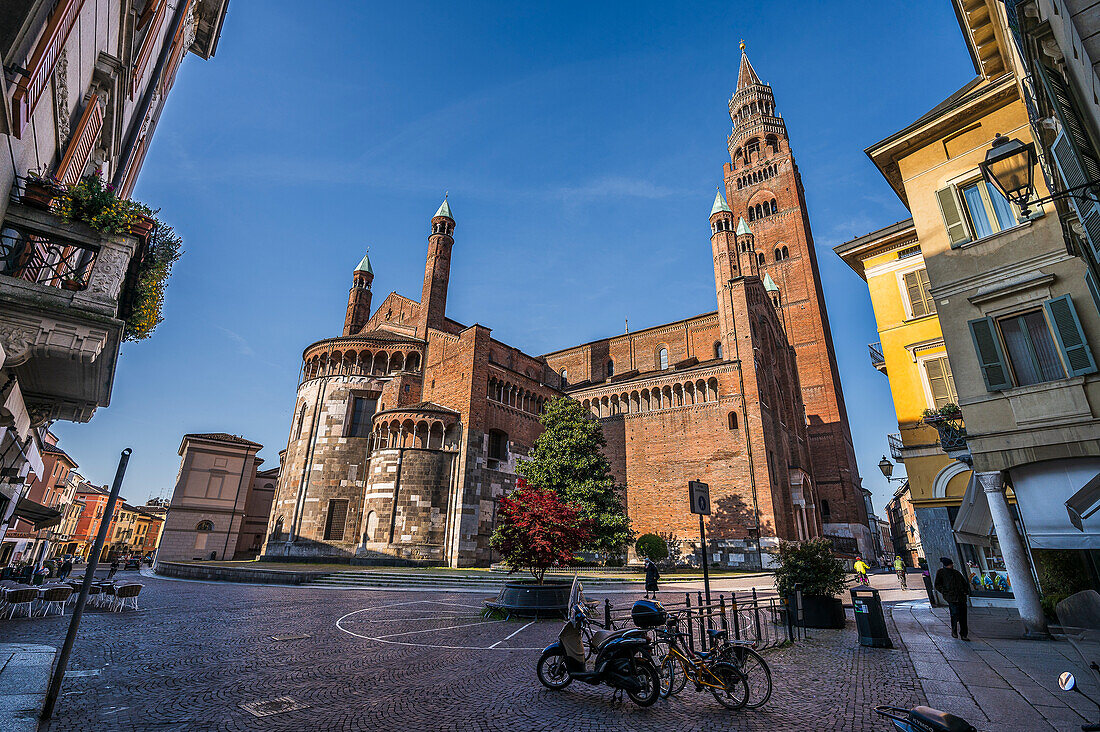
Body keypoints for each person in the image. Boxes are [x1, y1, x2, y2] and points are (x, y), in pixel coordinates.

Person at [934, 557, 970, 640]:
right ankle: (954, 631)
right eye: (950, 564)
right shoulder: (941, 573)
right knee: (954, 614)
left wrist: (965, 591)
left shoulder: (956, 573)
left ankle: (964, 634)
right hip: (951, 597)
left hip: (961, 597)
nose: (952, 565)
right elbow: (937, 585)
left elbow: (964, 583)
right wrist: (945, 592)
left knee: (963, 617)